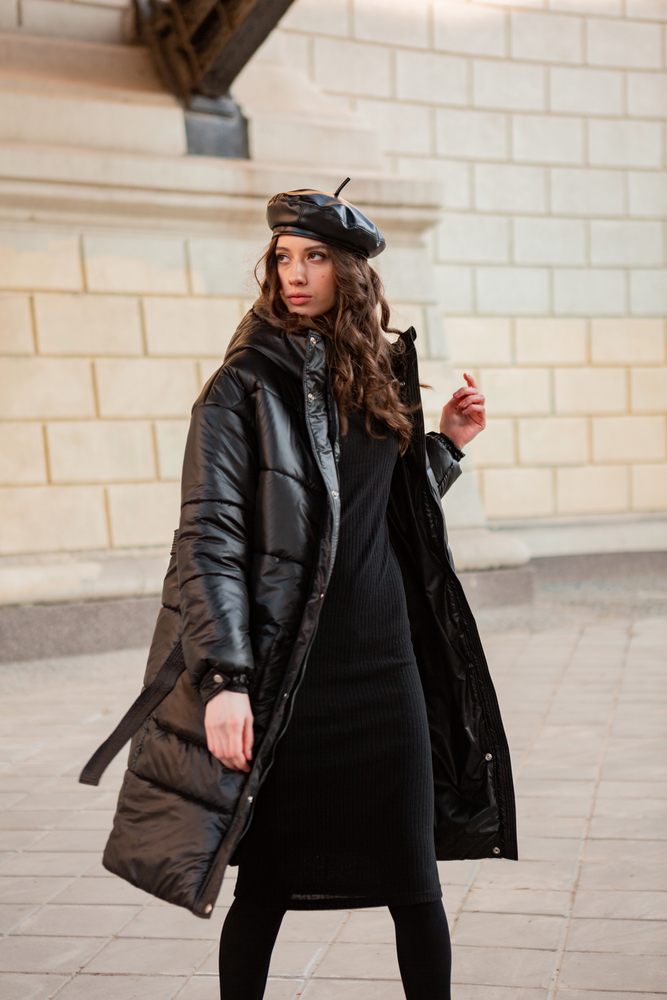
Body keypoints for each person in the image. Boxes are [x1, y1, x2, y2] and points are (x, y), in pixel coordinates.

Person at [83, 183, 516, 1000]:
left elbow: (377, 516)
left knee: (415, 887)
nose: (294, 272)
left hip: (387, 671)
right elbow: (206, 541)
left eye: (314, 256)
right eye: (284, 256)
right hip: (294, 679)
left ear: (350, 272)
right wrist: (224, 681)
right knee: (266, 889)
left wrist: (447, 446)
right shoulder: (241, 387)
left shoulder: (380, 377)